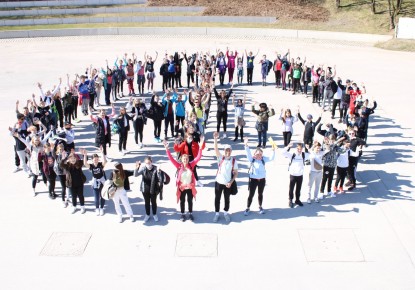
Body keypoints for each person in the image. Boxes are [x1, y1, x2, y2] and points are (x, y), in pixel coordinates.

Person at [164, 135, 204, 222]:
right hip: (181, 187)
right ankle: (182, 214)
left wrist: (200, 148)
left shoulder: (191, 164)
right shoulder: (178, 165)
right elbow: (171, 159)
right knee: (182, 201)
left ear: (188, 159)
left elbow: (198, 157)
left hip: (190, 187)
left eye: (186, 159)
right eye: (184, 159)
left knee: (190, 200)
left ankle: (190, 213)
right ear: (181, 159)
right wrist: (167, 149)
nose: (185, 160)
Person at [243, 137, 276, 216]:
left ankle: (260, 207)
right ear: (255, 154)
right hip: (253, 180)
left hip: (262, 180)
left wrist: (273, 150)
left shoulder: (263, 159)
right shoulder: (252, 159)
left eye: (260, 154)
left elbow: (271, 158)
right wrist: (246, 144)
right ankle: (247, 208)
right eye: (257, 154)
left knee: (260, 194)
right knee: (251, 194)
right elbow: (248, 153)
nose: (259, 155)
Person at [213, 132, 238, 223]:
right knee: (217, 198)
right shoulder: (221, 158)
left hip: (228, 183)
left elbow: (236, 173)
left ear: (231, 151)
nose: (228, 152)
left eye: (229, 150)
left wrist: (231, 182)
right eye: (226, 150)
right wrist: (215, 139)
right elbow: (216, 149)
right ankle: (216, 214)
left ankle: (226, 213)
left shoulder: (234, 161)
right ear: (224, 151)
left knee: (227, 199)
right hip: (219, 182)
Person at [134, 156, 166, 223]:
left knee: (154, 202)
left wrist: (159, 171)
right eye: (146, 163)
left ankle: (154, 214)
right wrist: (136, 168)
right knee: (147, 202)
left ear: (151, 162)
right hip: (145, 189)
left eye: (149, 163)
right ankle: (147, 215)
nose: (148, 164)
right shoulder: (143, 169)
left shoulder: (155, 168)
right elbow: (135, 175)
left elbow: (160, 179)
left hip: (154, 189)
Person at [282, 143, 309, 208]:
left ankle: (297, 200)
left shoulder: (303, 155)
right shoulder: (292, 154)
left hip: (300, 175)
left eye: (300, 149)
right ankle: (290, 200)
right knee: (291, 188)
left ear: (302, 149)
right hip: (293, 175)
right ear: (295, 148)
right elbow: (283, 153)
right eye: (298, 148)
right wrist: (288, 146)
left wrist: (308, 149)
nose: (299, 150)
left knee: (298, 188)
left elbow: (312, 155)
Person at [82, 148, 107, 216]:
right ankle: (97, 208)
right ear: (92, 160)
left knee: (103, 196)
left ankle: (101, 208)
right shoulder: (92, 166)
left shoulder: (100, 165)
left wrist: (102, 152)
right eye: (94, 159)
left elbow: (104, 161)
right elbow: (85, 163)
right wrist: (85, 155)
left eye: (97, 159)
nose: (95, 160)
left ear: (98, 159)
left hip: (102, 181)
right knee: (96, 198)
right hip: (95, 182)